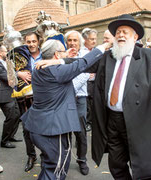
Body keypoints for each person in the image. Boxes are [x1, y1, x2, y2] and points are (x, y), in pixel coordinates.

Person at [43, 14, 151, 180]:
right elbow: (83, 64)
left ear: (135, 37)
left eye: (125, 32)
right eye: (118, 32)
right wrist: (58, 62)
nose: (120, 35)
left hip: (138, 121)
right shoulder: (108, 57)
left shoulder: (148, 56)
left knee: (145, 170)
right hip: (113, 121)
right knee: (116, 165)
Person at [21, 39, 109, 179]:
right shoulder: (57, 71)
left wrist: (65, 55)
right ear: (56, 54)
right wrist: (102, 46)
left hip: (39, 126)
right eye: (63, 51)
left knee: (49, 167)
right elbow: (83, 63)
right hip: (53, 129)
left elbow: (69, 63)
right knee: (56, 169)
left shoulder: (39, 67)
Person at [65, 30, 90, 175]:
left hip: (80, 98)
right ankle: (65, 160)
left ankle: (82, 160)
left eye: (75, 40)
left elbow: (85, 74)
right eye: (70, 40)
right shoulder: (62, 55)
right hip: (65, 99)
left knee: (80, 132)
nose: (72, 43)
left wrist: (70, 90)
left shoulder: (85, 56)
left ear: (80, 42)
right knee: (65, 131)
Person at [17, 31, 42, 172]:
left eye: (34, 41)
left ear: (38, 41)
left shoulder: (46, 54)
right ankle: (31, 156)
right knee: (27, 129)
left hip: (44, 97)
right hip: (25, 99)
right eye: (28, 42)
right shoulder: (18, 55)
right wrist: (17, 73)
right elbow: (9, 75)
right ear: (24, 42)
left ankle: (46, 155)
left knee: (45, 128)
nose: (31, 44)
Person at [0, 44, 21, 148]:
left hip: (10, 93)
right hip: (4, 95)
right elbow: (7, 77)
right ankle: (4, 140)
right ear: (0, 53)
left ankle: (11, 136)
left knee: (17, 115)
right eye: (5, 51)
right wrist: (19, 74)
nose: (7, 53)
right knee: (11, 117)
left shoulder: (4, 62)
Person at [81, 28, 98, 132]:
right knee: (86, 103)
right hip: (85, 82)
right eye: (91, 39)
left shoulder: (97, 51)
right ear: (85, 39)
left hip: (95, 81)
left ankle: (92, 121)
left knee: (93, 102)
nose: (94, 41)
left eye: (95, 39)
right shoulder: (81, 52)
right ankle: (87, 122)